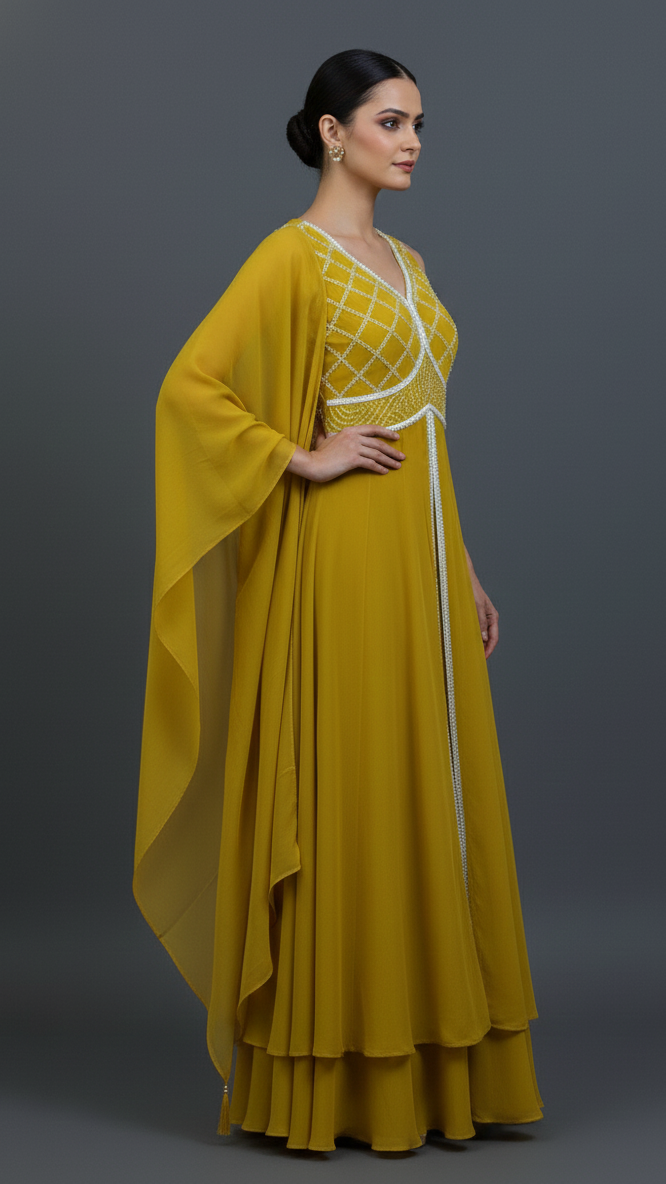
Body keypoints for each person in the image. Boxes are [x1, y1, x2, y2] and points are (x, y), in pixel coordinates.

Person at [133, 48, 543, 1153]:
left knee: (427, 790)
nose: (412, 141)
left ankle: (436, 1066)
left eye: (419, 124)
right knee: (350, 788)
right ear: (331, 131)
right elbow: (191, 387)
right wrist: (297, 455)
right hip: (342, 561)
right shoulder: (292, 255)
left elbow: (429, 435)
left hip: (425, 564)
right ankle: (335, 1080)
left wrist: (464, 567)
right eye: (390, 121)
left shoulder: (409, 260)